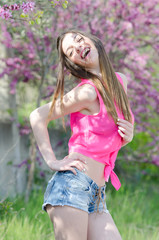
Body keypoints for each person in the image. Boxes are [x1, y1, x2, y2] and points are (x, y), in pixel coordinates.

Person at [29, 29, 134, 240]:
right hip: (72, 188)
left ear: (91, 40)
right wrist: (52, 161)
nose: (78, 47)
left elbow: (102, 144)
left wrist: (127, 138)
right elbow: (38, 116)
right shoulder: (87, 92)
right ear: (75, 64)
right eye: (70, 51)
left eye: (78, 39)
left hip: (97, 196)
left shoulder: (121, 81)